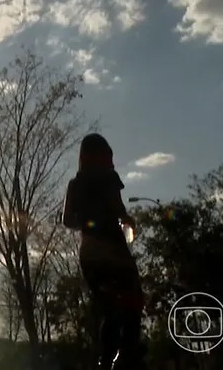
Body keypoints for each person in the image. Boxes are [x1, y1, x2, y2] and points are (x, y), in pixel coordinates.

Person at [62, 133, 145, 370]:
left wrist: (88, 223)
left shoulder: (75, 184)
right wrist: (125, 220)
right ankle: (126, 356)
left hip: (89, 253)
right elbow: (117, 208)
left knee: (109, 308)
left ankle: (106, 361)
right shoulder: (108, 178)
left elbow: (67, 220)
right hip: (112, 249)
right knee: (132, 301)